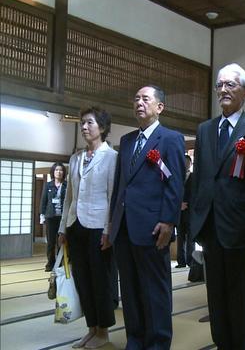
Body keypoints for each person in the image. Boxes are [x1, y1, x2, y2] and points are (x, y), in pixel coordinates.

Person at [190, 63, 245, 350]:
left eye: (230, 85)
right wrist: (195, 222)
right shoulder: (204, 130)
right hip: (210, 225)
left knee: (239, 297)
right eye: (219, 85)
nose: (223, 90)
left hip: (241, 226)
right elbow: (201, 177)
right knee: (215, 295)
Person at [109, 85, 185, 349]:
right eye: (136, 99)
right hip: (125, 227)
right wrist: (112, 223)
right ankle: (135, 339)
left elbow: (174, 184)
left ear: (159, 107)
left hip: (154, 227)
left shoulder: (171, 138)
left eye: (145, 99)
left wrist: (169, 220)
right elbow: (120, 185)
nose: (139, 103)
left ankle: (158, 342)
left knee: (155, 290)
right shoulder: (128, 141)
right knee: (129, 290)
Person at [58, 107, 117, 349]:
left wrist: (108, 230)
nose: (84, 127)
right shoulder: (75, 159)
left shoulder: (112, 157)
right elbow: (68, 198)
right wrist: (63, 228)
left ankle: (103, 332)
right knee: (82, 281)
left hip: (98, 227)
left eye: (89, 123)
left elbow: (113, 196)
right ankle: (91, 329)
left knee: (100, 281)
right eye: (82, 123)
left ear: (102, 128)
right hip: (75, 225)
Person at [40, 162, 67, 271]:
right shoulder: (48, 185)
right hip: (50, 217)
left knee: (61, 241)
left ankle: (60, 263)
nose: (58, 172)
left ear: (63, 172)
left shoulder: (67, 185)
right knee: (51, 242)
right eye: (56, 170)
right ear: (53, 172)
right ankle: (50, 263)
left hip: (62, 218)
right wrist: (42, 215)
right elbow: (43, 201)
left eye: (61, 170)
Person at [176, 154, 194, 268]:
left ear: (191, 164)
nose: (186, 164)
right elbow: (173, 194)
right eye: (184, 162)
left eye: (188, 162)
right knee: (180, 238)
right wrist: (179, 205)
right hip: (179, 213)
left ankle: (191, 260)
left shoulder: (195, 177)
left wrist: (189, 205)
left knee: (191, 238)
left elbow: (197, 195)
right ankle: (181, 262)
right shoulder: (177, 177)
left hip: (191, 212)